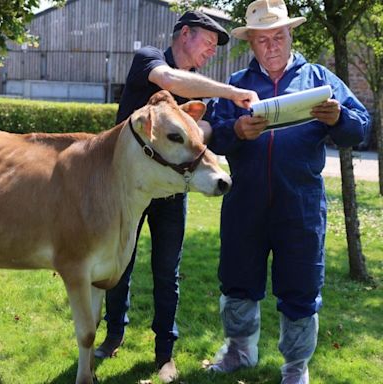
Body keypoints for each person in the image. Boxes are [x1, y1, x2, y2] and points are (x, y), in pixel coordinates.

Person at [205, 1, 370, 383]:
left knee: (300, 286)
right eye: (262, 40)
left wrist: (339, 117)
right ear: (252, 45)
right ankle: (239, 351)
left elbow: (359, 128)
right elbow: (214, 132)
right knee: (237, 278)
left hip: (301, 205)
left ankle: (296, 368)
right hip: (245, 203)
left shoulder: (317, 79)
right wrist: (237, 133)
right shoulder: (234, 85)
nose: (271, 46)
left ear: (290, 35)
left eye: (278, 36)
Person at [93, 10, 259, 383]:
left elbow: (202, 132)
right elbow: (171, 82)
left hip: (170, 193)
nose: (212, 52)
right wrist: (231, 91)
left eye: (217, 47)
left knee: (167, 273)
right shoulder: (149, 60)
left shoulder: (200, 88)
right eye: (208, 42)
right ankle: (113, 334)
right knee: (119, 265)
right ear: (185, 34)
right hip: (128, 191)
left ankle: (164, 353)